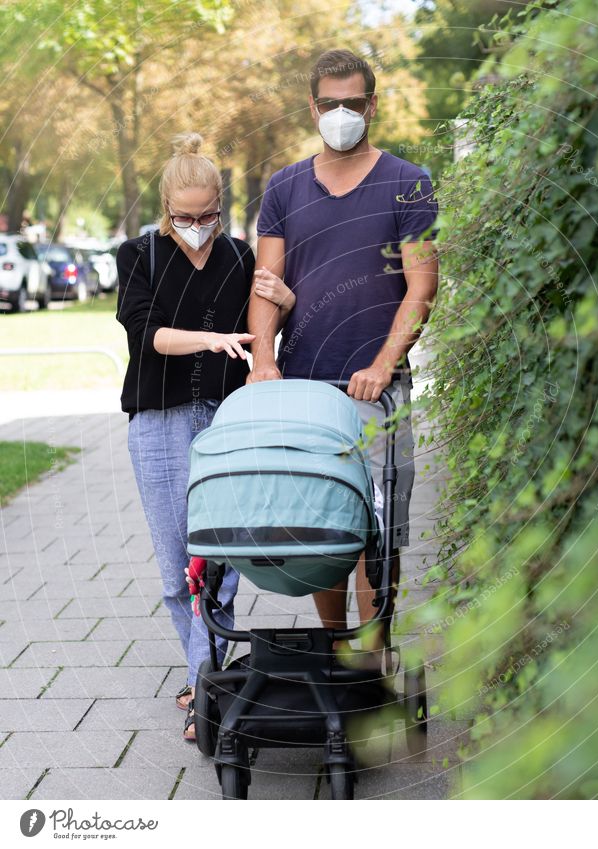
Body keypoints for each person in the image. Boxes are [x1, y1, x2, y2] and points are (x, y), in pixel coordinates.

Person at [247, 49, 439, 663]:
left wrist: (384, 365)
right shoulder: (283, 187)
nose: (340, 114)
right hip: (304, 391)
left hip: (379, 392)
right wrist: (263, 362)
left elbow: (422, 286)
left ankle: (374, 657)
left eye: (352, 103)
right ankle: (335, 653)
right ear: (312, 107)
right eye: (328, 104)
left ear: (372, 105)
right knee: (318, 531)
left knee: (377, 536)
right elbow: (265, 286)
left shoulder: (409, 183)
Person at [116, 132, 295, 740]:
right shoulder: (137, 254)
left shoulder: (240, 257)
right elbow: (149, 336)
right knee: (176, 572)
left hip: (226, 419)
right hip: (159, 422)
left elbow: (266, 329)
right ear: (166, 210)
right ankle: (207, 677)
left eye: (207, 215)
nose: (197, 226)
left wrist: (286, 299)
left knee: (218, 564)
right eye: (184, 217)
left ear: (220, 205)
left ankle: (206, 691)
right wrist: (207, 340)